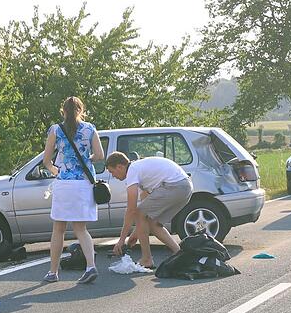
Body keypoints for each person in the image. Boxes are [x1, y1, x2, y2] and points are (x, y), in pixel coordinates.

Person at [42, 96, 105, 283]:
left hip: (64, 184)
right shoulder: (90, 129)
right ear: (81, 110)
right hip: (84, 183)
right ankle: (91, 266)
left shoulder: (55, 130)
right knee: (81, 228)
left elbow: (46, 161)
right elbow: (100, 155)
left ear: (64, 111)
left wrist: (57, 170)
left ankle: (53, 272)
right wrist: (87, 159)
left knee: (59, 228)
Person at [106, 151, 191, 269]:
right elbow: (145, 202)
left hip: (175, 186)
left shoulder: (132, 171)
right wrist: (134, 235)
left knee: (138, 213)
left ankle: (147, 259)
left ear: (120, 167)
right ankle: (180, 254)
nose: (113, 176)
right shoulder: (140, 170)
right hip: (185, 187)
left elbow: (132, 210)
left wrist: (121, 240)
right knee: (153, 223)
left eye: (112, 171)